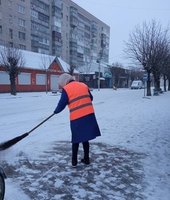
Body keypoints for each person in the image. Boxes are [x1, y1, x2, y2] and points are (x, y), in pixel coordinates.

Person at [53, 73, 101, 167]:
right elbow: (90, 98)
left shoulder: (66, 89)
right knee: (85, 138)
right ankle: (86, 159)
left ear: (64, 82)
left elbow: (62, 104)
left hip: (77, 117)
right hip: (89, 115)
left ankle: (74, 162)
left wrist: (56, 111)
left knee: (76, 139)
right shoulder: (83, 85)